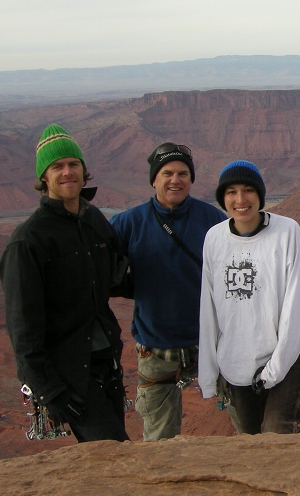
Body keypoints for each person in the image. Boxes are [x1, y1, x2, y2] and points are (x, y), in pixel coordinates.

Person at [0, 124, 129, 442]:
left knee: (113, 452)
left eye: (73, 164)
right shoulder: (28, 241)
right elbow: (23, 328)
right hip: (69, 374)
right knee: (113, 450)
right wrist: (48, 390)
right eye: (57, 166)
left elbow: (115, 279)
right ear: (44, 177)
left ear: (84, 171)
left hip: (106, 361)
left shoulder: (94, 220)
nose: (67, 172)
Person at [110, 142, 226, 440]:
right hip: (156, 347)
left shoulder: (212, 220)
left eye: (183, 173)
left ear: (191, 179)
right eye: (168, 173)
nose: (176, 179)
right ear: (154, 179)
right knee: (160, 438)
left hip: (211, 342)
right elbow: (102, 271)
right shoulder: (128, 223)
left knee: (244, 417)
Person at [198, 160, 300, 434]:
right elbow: (209, 308)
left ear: (260, 195)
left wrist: (275, 368)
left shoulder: (287, 232)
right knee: (251, 440)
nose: (240, 199)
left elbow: (295, 305)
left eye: (248, 190)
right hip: (237, 362)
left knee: (276, 431)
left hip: (286, 353)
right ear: (222, 198)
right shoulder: (214, 239)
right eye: (231, 192)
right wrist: (209, 374)